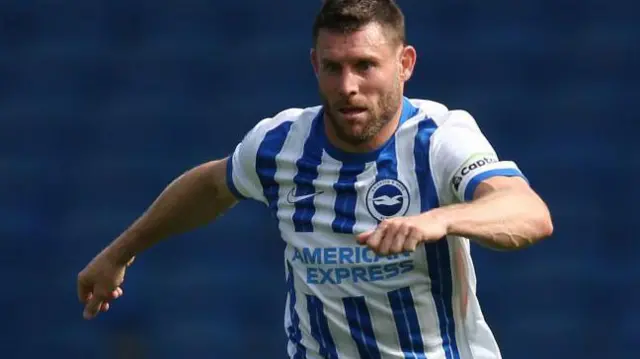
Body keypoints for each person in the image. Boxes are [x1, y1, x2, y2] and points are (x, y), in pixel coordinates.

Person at [77, 0, 553, 357]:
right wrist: (120, 252)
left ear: (405, 64)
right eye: (333, 67)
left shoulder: (440, 139)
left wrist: (442, 220)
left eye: (366, 66)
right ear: (314, 66)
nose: (348, 87)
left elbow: (528, 213)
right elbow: (211, 185)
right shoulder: (280, 144)